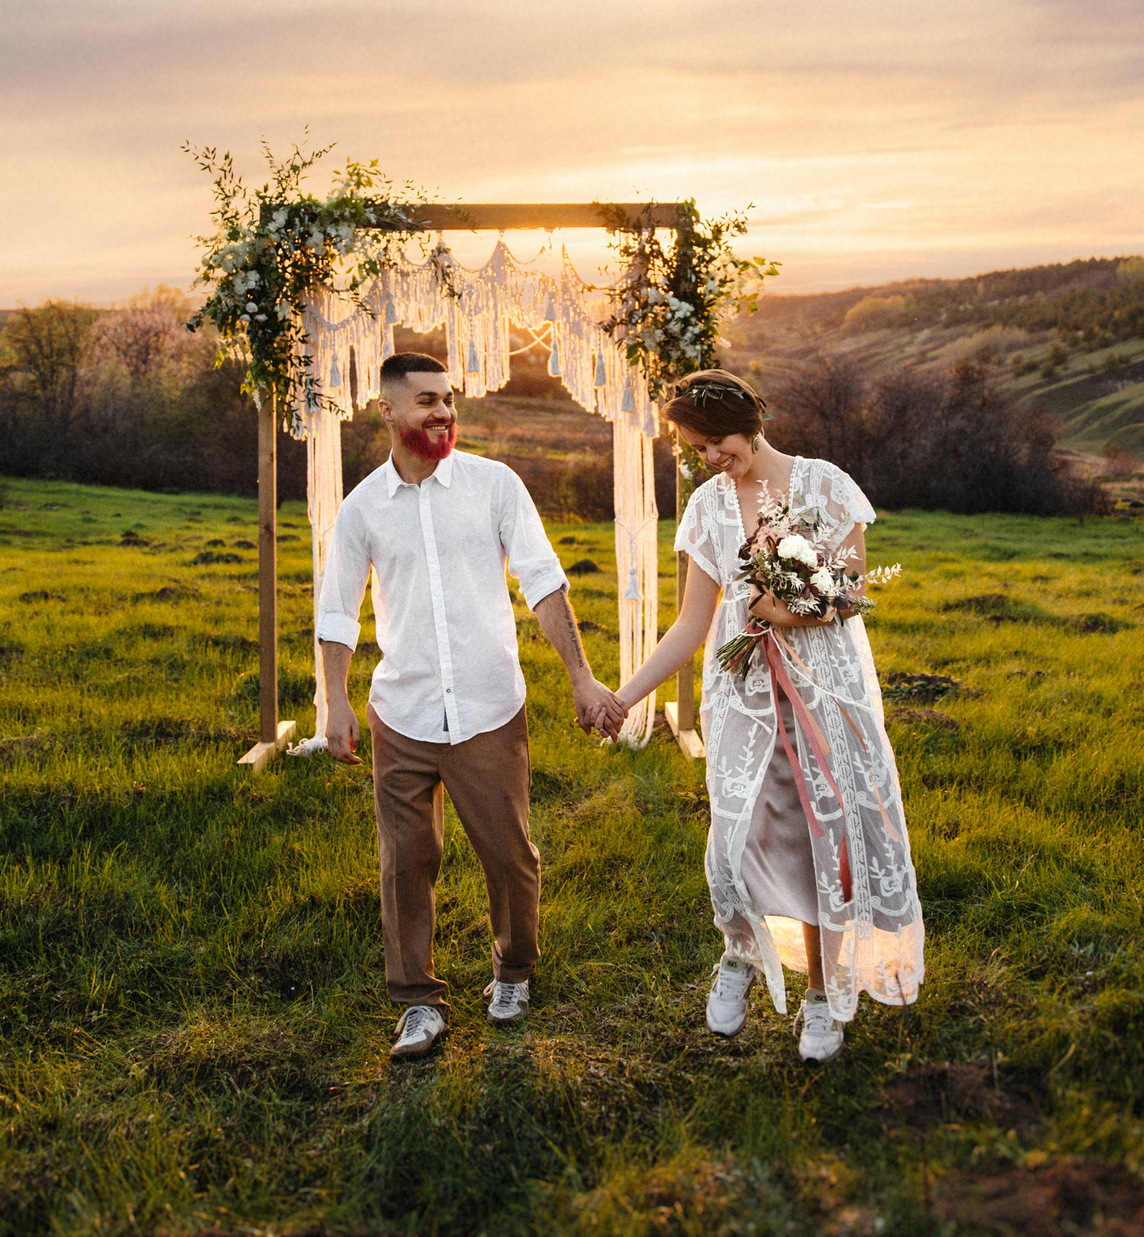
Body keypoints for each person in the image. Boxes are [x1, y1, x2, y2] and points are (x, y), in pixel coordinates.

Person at [318, 351, 628, 1059]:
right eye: (426, 400)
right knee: (405, 860)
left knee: (509, 854)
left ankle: (513, 969)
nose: (443, 412)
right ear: (387, 412)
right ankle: (418, 1001)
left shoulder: (495, 485)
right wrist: (332, 701)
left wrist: (581, 676)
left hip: (489, 708)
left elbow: (544, 582)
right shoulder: (362, 507)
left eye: (448, 399)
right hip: (403, 712)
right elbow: (337, 613)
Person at [611, 369, 924, 1062]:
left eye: (716, 441)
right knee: (735, 838)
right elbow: (692, 625)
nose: (712, 458)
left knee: (827, 848)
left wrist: (786, 608)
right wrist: (625, 698)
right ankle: (738, 952)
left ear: (749, 420)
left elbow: (850, 591)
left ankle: (822, 997)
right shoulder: (707, 508)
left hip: (825, 691)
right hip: (745, 696)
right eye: (698, 451)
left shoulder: (825, 485)